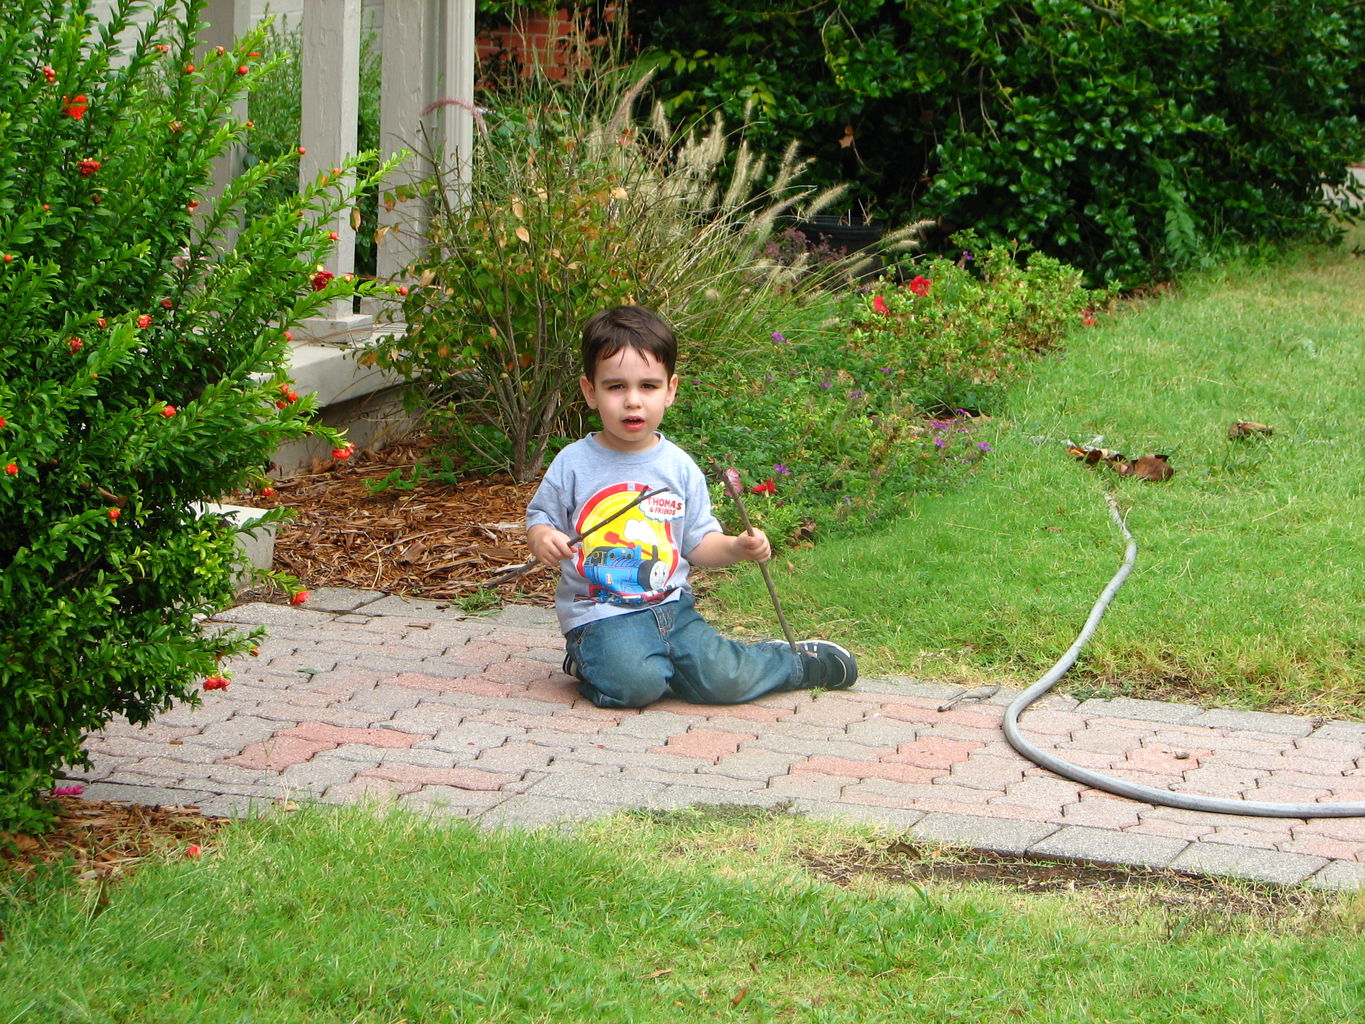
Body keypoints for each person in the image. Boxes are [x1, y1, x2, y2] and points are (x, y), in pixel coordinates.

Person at [525, 305, 858, 709]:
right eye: (615, 387)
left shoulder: (678, 466)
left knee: (723, 681)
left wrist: (737, 547)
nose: (633, 401)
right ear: (590, 391)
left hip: (673, 610)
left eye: (648, 386)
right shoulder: (574, 463)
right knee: (636, 685)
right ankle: (594, 661)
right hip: (600, 616)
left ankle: (794, 664)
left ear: (670, 389)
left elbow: (698, 543)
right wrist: (543, 536)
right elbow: (540, 516)